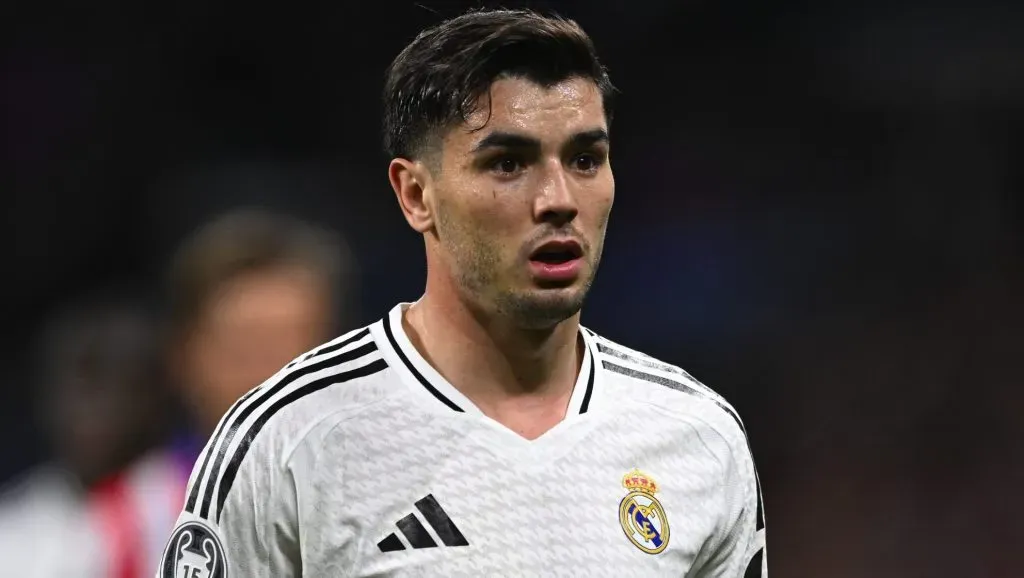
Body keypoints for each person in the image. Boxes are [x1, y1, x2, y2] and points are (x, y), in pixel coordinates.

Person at [159, 9, 766, 577]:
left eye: (585, 159)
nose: (558, 199)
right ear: (416, 196)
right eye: (508, 163)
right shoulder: (288, 440)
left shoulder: (698, 439)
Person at [0, 286, 182, 578]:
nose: (87, 408)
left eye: (110, 382)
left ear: (156, 394)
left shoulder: (198, 508)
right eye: (72, 383)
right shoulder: (14, 526)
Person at [163, 208, 355, 464]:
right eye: (245, 353)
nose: (271, 382)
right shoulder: (122, 504)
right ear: (184, 358)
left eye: (298, 354)